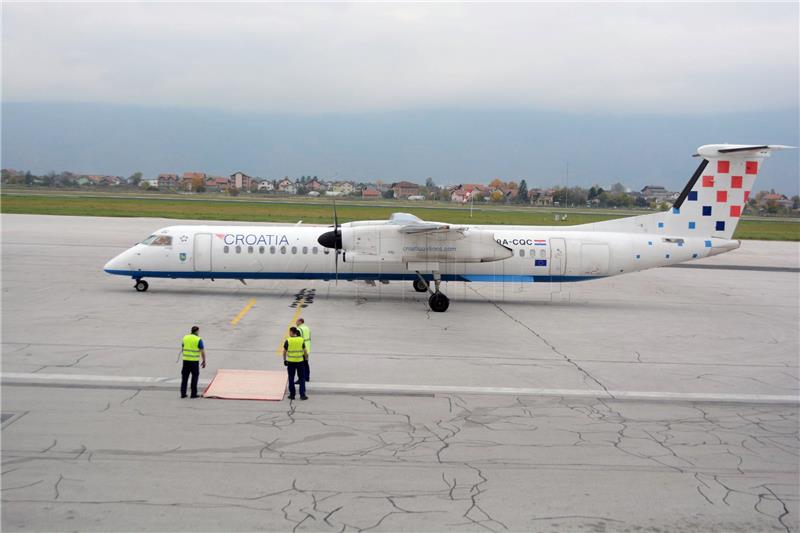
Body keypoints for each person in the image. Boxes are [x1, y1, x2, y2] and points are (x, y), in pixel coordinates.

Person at [180, 325, 206, 398]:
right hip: (194, 362)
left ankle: (183, 393)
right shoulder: (198, 339)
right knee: (194, 377)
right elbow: (202, 351)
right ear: (197, 331)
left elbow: (183, 346)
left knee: (184, 378)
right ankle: (193, 394)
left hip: (185, 361)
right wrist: (204, 361)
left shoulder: (185, 337)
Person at [283, 327, 308, 400]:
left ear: (291, 332)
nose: (289, 333)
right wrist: (306, 360)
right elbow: (305, 351)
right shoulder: (301, 340)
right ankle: (302, 395)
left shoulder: (288, 340)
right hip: (300, 362)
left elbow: (284, 352)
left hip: (291, 362)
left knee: (291, 378)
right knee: (302, 378)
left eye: (289, 332)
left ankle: (292, 395)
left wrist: (285, 360)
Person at [296, 318, 311, 383]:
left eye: (297, 321)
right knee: (306, 363)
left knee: (300, 365)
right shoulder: (307, 328)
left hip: (301, 349)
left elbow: (297, 340)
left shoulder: (299, 329)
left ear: (300, 322)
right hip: (307, 348)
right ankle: (307, 377)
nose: (296, 323)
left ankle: (301, 379)